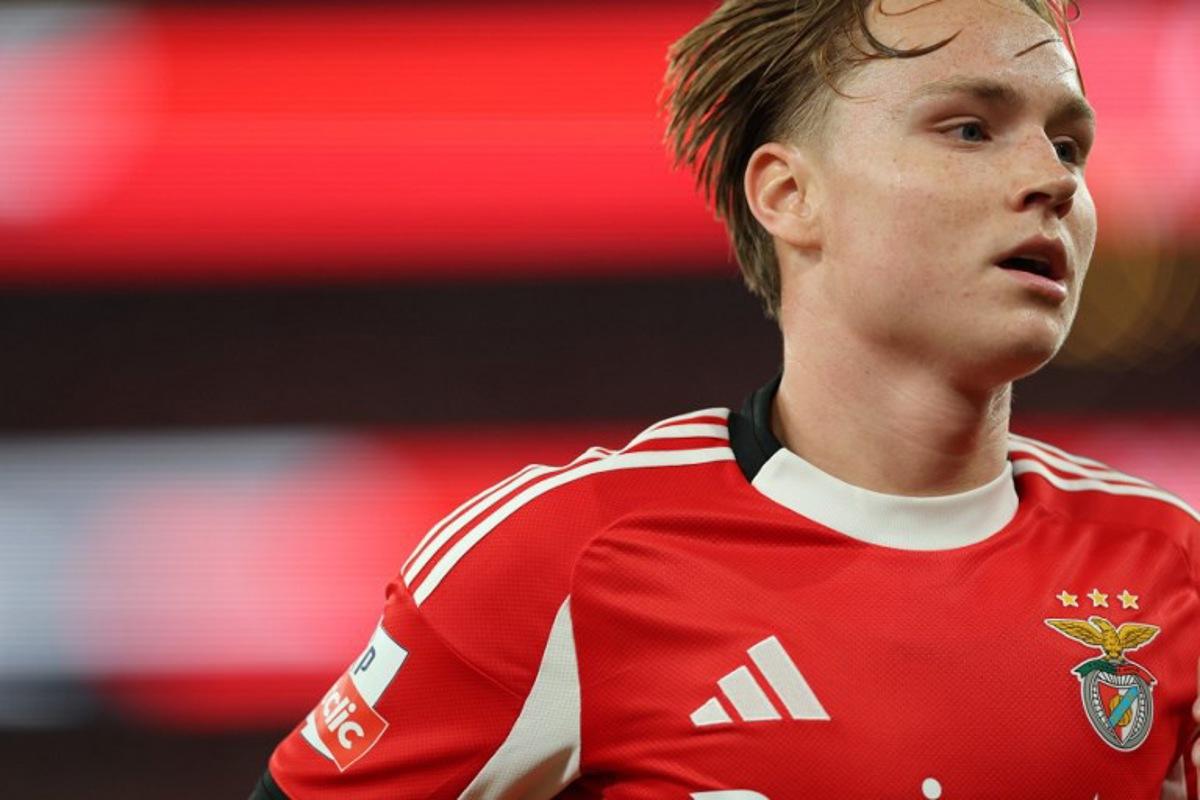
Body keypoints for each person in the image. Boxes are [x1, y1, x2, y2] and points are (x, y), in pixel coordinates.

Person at [250, 1, 1200, 797]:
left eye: (1069, 143)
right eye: (968, 127)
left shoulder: (1174, 566)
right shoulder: (562, 558)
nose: (1053, 181)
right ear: (789, 194)